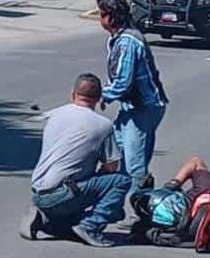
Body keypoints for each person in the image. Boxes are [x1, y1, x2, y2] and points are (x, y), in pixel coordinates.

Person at [20, 74, 131, 248]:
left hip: (39, 191)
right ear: (98, 98)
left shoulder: (55, 114)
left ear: (73, 94)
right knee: (121, 181)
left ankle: (44, 219)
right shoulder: (103, 125)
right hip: (63, 193)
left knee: (73, 222)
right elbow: (112, 166)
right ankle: (90, 226)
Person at [96, 0, 168, 201]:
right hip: (131, 107)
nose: (99, 20)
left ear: (111, 17)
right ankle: (117, 201)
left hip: (144, 107)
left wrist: (100, 96)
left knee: (134, 162)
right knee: (116, 154)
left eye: (101, 14)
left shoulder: (128, 42)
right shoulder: (118, 39)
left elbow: (123, 82)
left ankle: (141, 209)